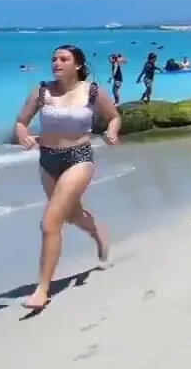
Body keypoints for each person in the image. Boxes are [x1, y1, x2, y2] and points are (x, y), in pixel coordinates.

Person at [12, 44, 120, 310]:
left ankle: (42, 290)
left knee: (50, 223)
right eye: (53, 59)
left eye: (63, 59)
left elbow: (114, 116)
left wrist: (112, 132)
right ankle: (99, 234)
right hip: (48, 160)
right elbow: (20, 121)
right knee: (71, 215)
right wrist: (23, 134)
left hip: (79, 158)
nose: (56, 63)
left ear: (78, 65)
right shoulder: (40, 91)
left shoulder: (92, 91)